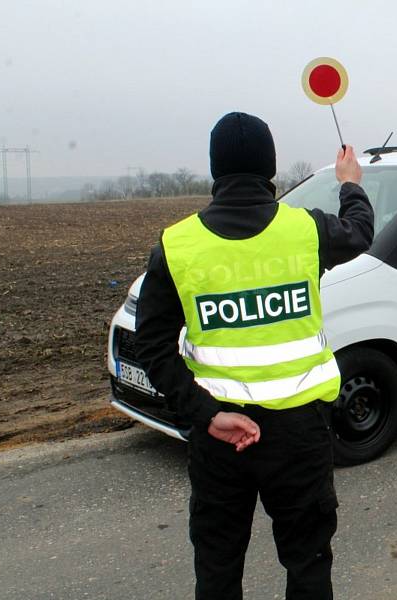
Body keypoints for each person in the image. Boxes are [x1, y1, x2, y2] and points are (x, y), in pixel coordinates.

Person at [134, 111, 374, 600]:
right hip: (300, 435)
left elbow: (152, 346)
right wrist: (350, 183)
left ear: (214, 169)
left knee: (218, 568)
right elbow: (360, 230)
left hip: (219, 436)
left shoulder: (177, 245)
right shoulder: (306, 231)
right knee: (307, 564)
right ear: (271, 167)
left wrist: (206, 414)